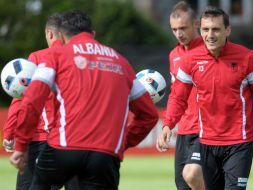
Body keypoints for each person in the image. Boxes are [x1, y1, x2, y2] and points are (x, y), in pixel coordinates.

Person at [9, 9, 158, 190]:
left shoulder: (54, 56)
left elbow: (31, 101)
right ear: (93, 34)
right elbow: (149, 115)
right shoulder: (121, 62)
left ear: (61, 37)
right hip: (104, 154)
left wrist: (21, 144)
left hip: (64, 147)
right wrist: (122, 142)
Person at [157, 5, 253, 190]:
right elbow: (178, 96)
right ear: (200, 29)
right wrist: (168, 124)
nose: (210, 34)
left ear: (228, 30)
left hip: (239, 142)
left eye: (216, 29)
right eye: (206, 29)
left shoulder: (248, 58)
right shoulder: (190, 61)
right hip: (206, 142)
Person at [2, 13, 79, 190]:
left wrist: (9, 133)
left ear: (50, 34)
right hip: (78, 141)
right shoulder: (82, 60)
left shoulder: (37, 58)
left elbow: (23, 98)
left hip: (44, 140)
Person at [156, 1, 204, 190]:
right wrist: (168, 124)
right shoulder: (174, 54)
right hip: (184, 130)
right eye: (174, 29)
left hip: (205, 129)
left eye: (183, 28)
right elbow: (176, 94)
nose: (179, 34)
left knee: (193, 175)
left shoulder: (209, 50)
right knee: (182, 184)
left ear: (196, 24)